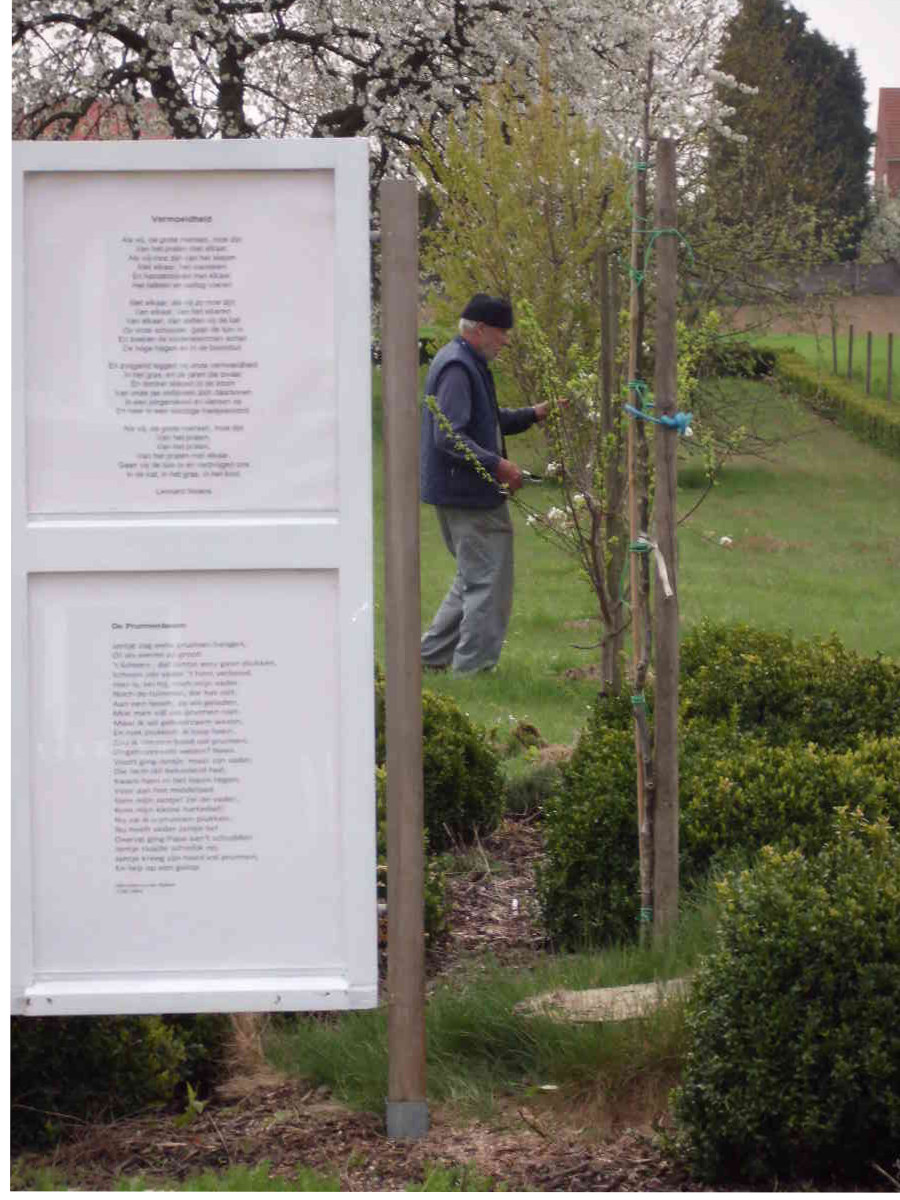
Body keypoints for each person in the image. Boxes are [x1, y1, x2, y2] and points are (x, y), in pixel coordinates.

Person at [419, 292, 554, 674]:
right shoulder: (459, 368)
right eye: (501, 332)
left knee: (472, 578)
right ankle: (473, 671)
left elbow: (485, 421)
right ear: (480, 330)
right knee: (488, 584)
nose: (506, 340)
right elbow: (448, 436)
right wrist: (498, 465)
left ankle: (429, 660)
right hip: (470, 497)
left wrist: (533, 414)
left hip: (457, 492)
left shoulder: (464, 362)